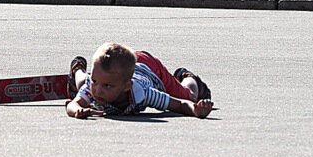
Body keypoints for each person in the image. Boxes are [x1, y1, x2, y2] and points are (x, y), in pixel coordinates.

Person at [65, 43, 213, 119]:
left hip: (150, 66)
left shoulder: (142, 92)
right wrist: (77, 110)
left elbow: (179, 104)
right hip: (124, 64)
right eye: (95, 81)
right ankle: (78, 70)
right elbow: (73, 104)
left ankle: (188, 77)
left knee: (188, 96)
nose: (98, 90)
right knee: (83, 87)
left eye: (107, 86)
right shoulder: (96, 87)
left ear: (127, 86)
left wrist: (195, 109)